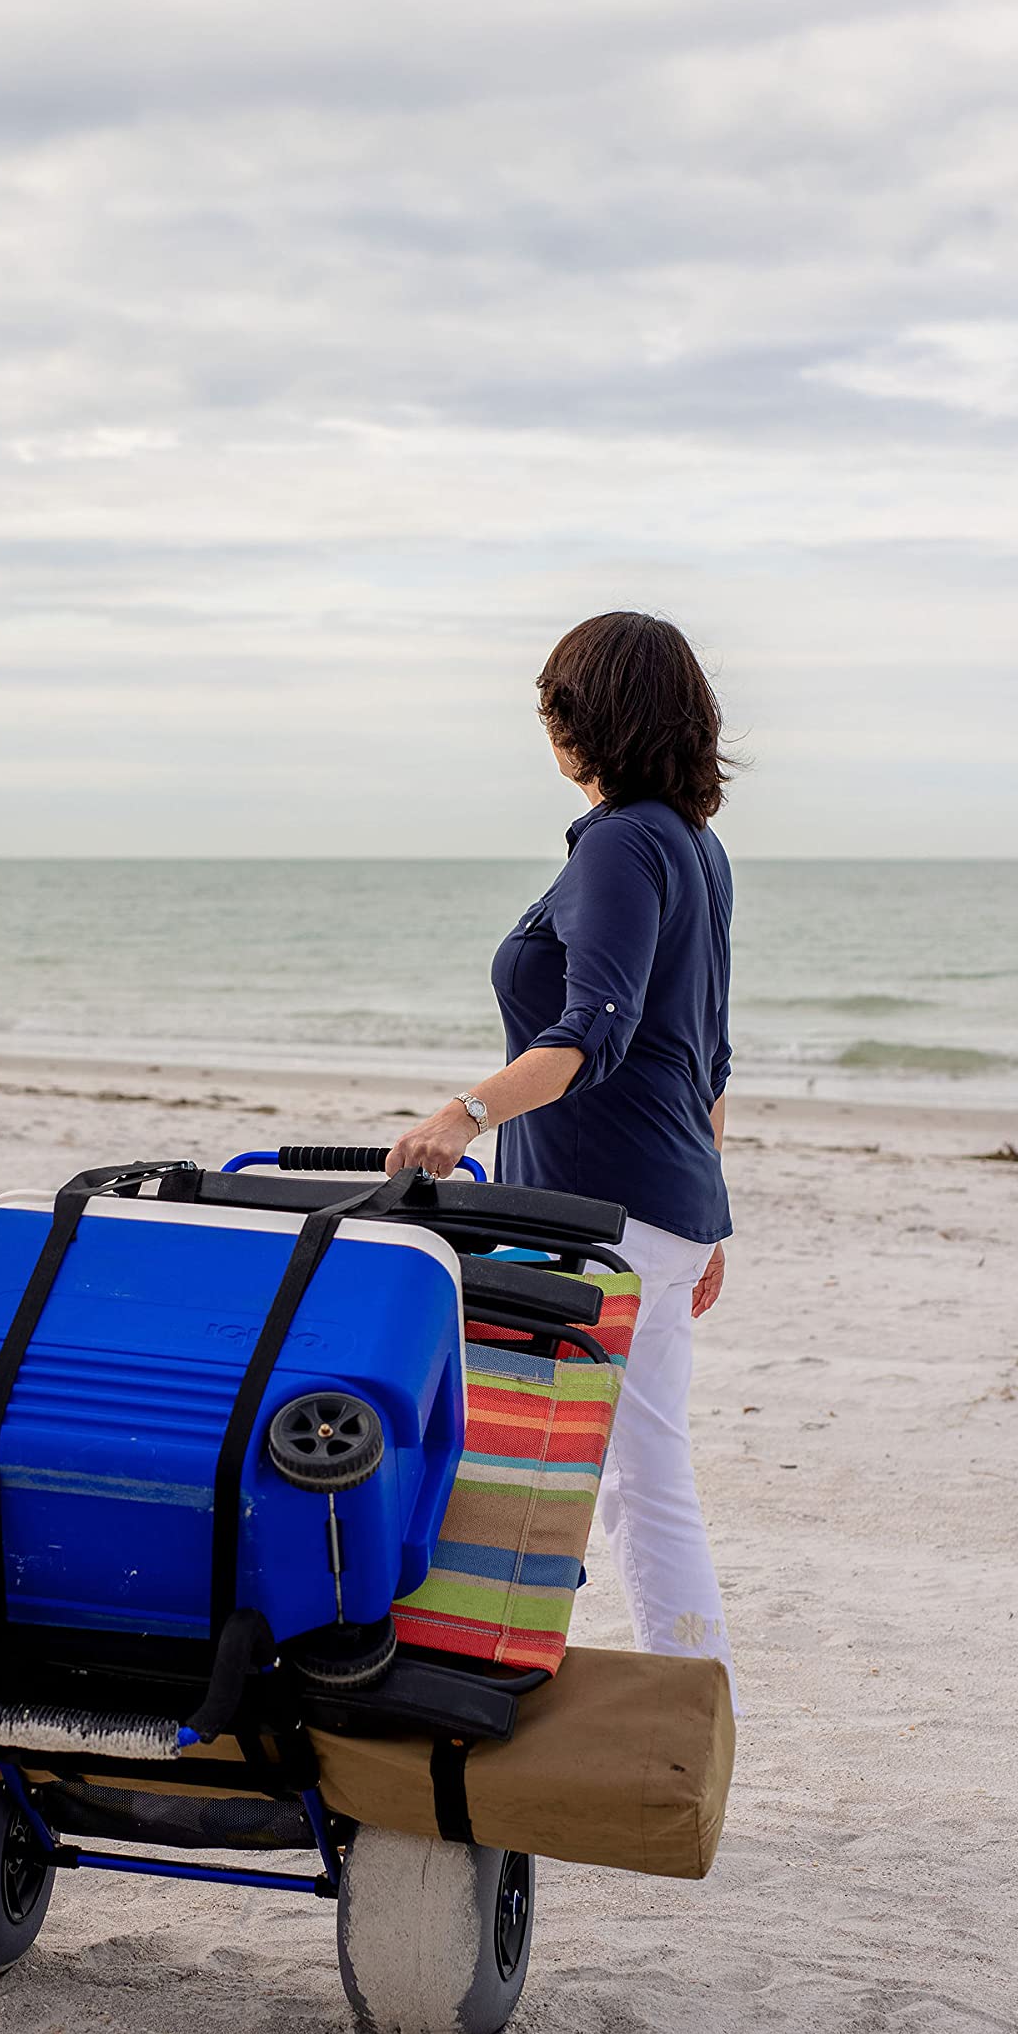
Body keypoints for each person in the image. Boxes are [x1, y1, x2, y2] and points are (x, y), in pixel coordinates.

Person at [385, 610, 737, 1695]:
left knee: (604, 1464)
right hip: (661, 1205)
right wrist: (711, 1217)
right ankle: (678, 1689)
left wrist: (464, 1113)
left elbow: (594, 1028)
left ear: (581, 719)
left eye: (554, 706)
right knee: (632, 1468)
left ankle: (682, 1700)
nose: (549, 727)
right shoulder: (692, 844)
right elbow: (711, 1056)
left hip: (606, 1213)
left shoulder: (627, 841)